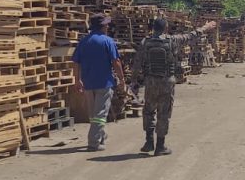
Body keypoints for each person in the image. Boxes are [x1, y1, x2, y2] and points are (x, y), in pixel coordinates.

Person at [131, 18, 216, 155]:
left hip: (151, 81)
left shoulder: (145, 42)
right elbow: (191, 35)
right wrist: (206, 27)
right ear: (165, 28)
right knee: (164, 112)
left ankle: (148, 142)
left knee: (148, 111)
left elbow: (137, 63)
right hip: (167, 81)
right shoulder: (172, 40)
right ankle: (160, 145)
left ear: (153, 28)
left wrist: (134, 81)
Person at [72, 13, 126, 151]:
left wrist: (77, 80)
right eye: (106, 24)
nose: (108, 27)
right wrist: (121, 78)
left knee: (93, 114)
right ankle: (93, 142)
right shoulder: (108, 41)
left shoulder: (84, 42)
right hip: (104, 83)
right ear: (102, 26)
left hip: (88, 84)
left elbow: (76, 63)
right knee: (100, 114)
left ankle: (101, 136)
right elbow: (116, 61)